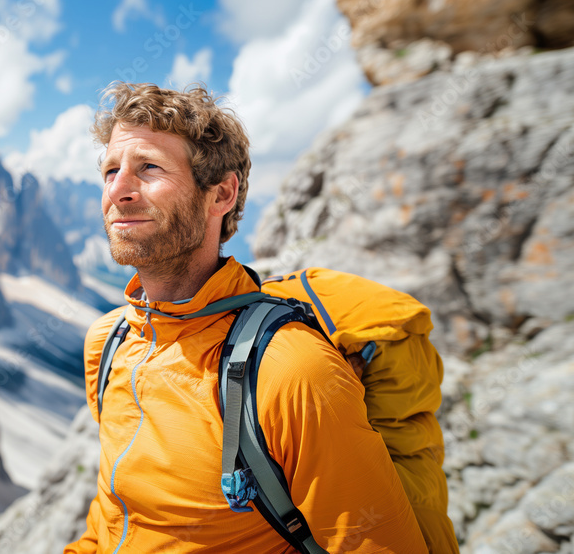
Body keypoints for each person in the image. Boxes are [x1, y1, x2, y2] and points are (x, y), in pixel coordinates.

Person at [63, 82, 430, 553]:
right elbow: (110, 519)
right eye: (111, 170)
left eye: (148, 167)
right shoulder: (108, 343)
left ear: (222, 194)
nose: (117, 190)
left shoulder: (293, 371)